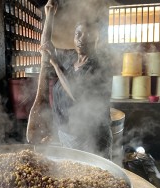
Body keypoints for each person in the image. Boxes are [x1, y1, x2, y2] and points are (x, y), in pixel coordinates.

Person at [27, 0, 112, 158]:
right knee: (73, 175)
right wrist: (50, 15)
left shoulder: (99, 66)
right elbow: (46, 48)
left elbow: (77, 95)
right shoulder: (70, 57)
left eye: (88, 35)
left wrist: (56, 64)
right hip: (66, 133)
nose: (81, 38)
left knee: (94, 178)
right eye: (78, 34)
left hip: (92, 137)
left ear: (96, 38)